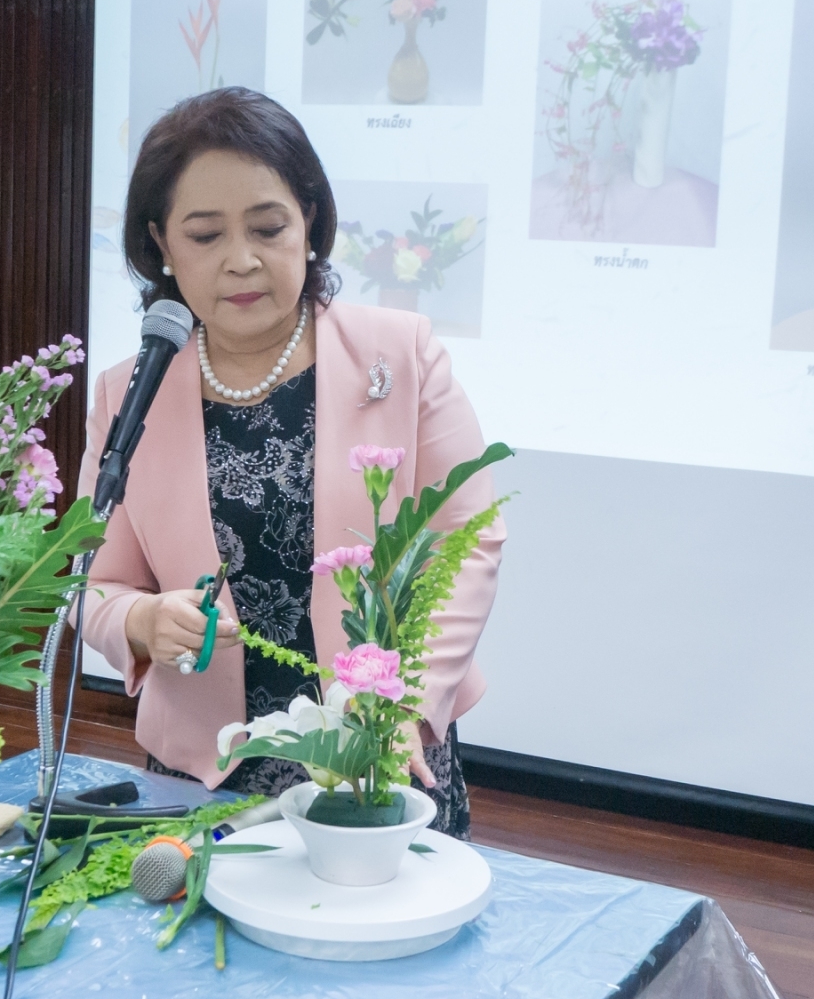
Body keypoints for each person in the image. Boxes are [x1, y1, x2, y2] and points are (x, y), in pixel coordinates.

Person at [77, 87, 502, 837]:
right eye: (205, 235)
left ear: (308, 222)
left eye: (268, 228)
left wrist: (406, 705)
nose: (241, 260)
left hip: (378, 753)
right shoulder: (128, 392)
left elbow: (467, 541)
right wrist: (140, 620)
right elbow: (94, 584)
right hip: (207, 771)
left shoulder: (399, 354)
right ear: (161, 244)